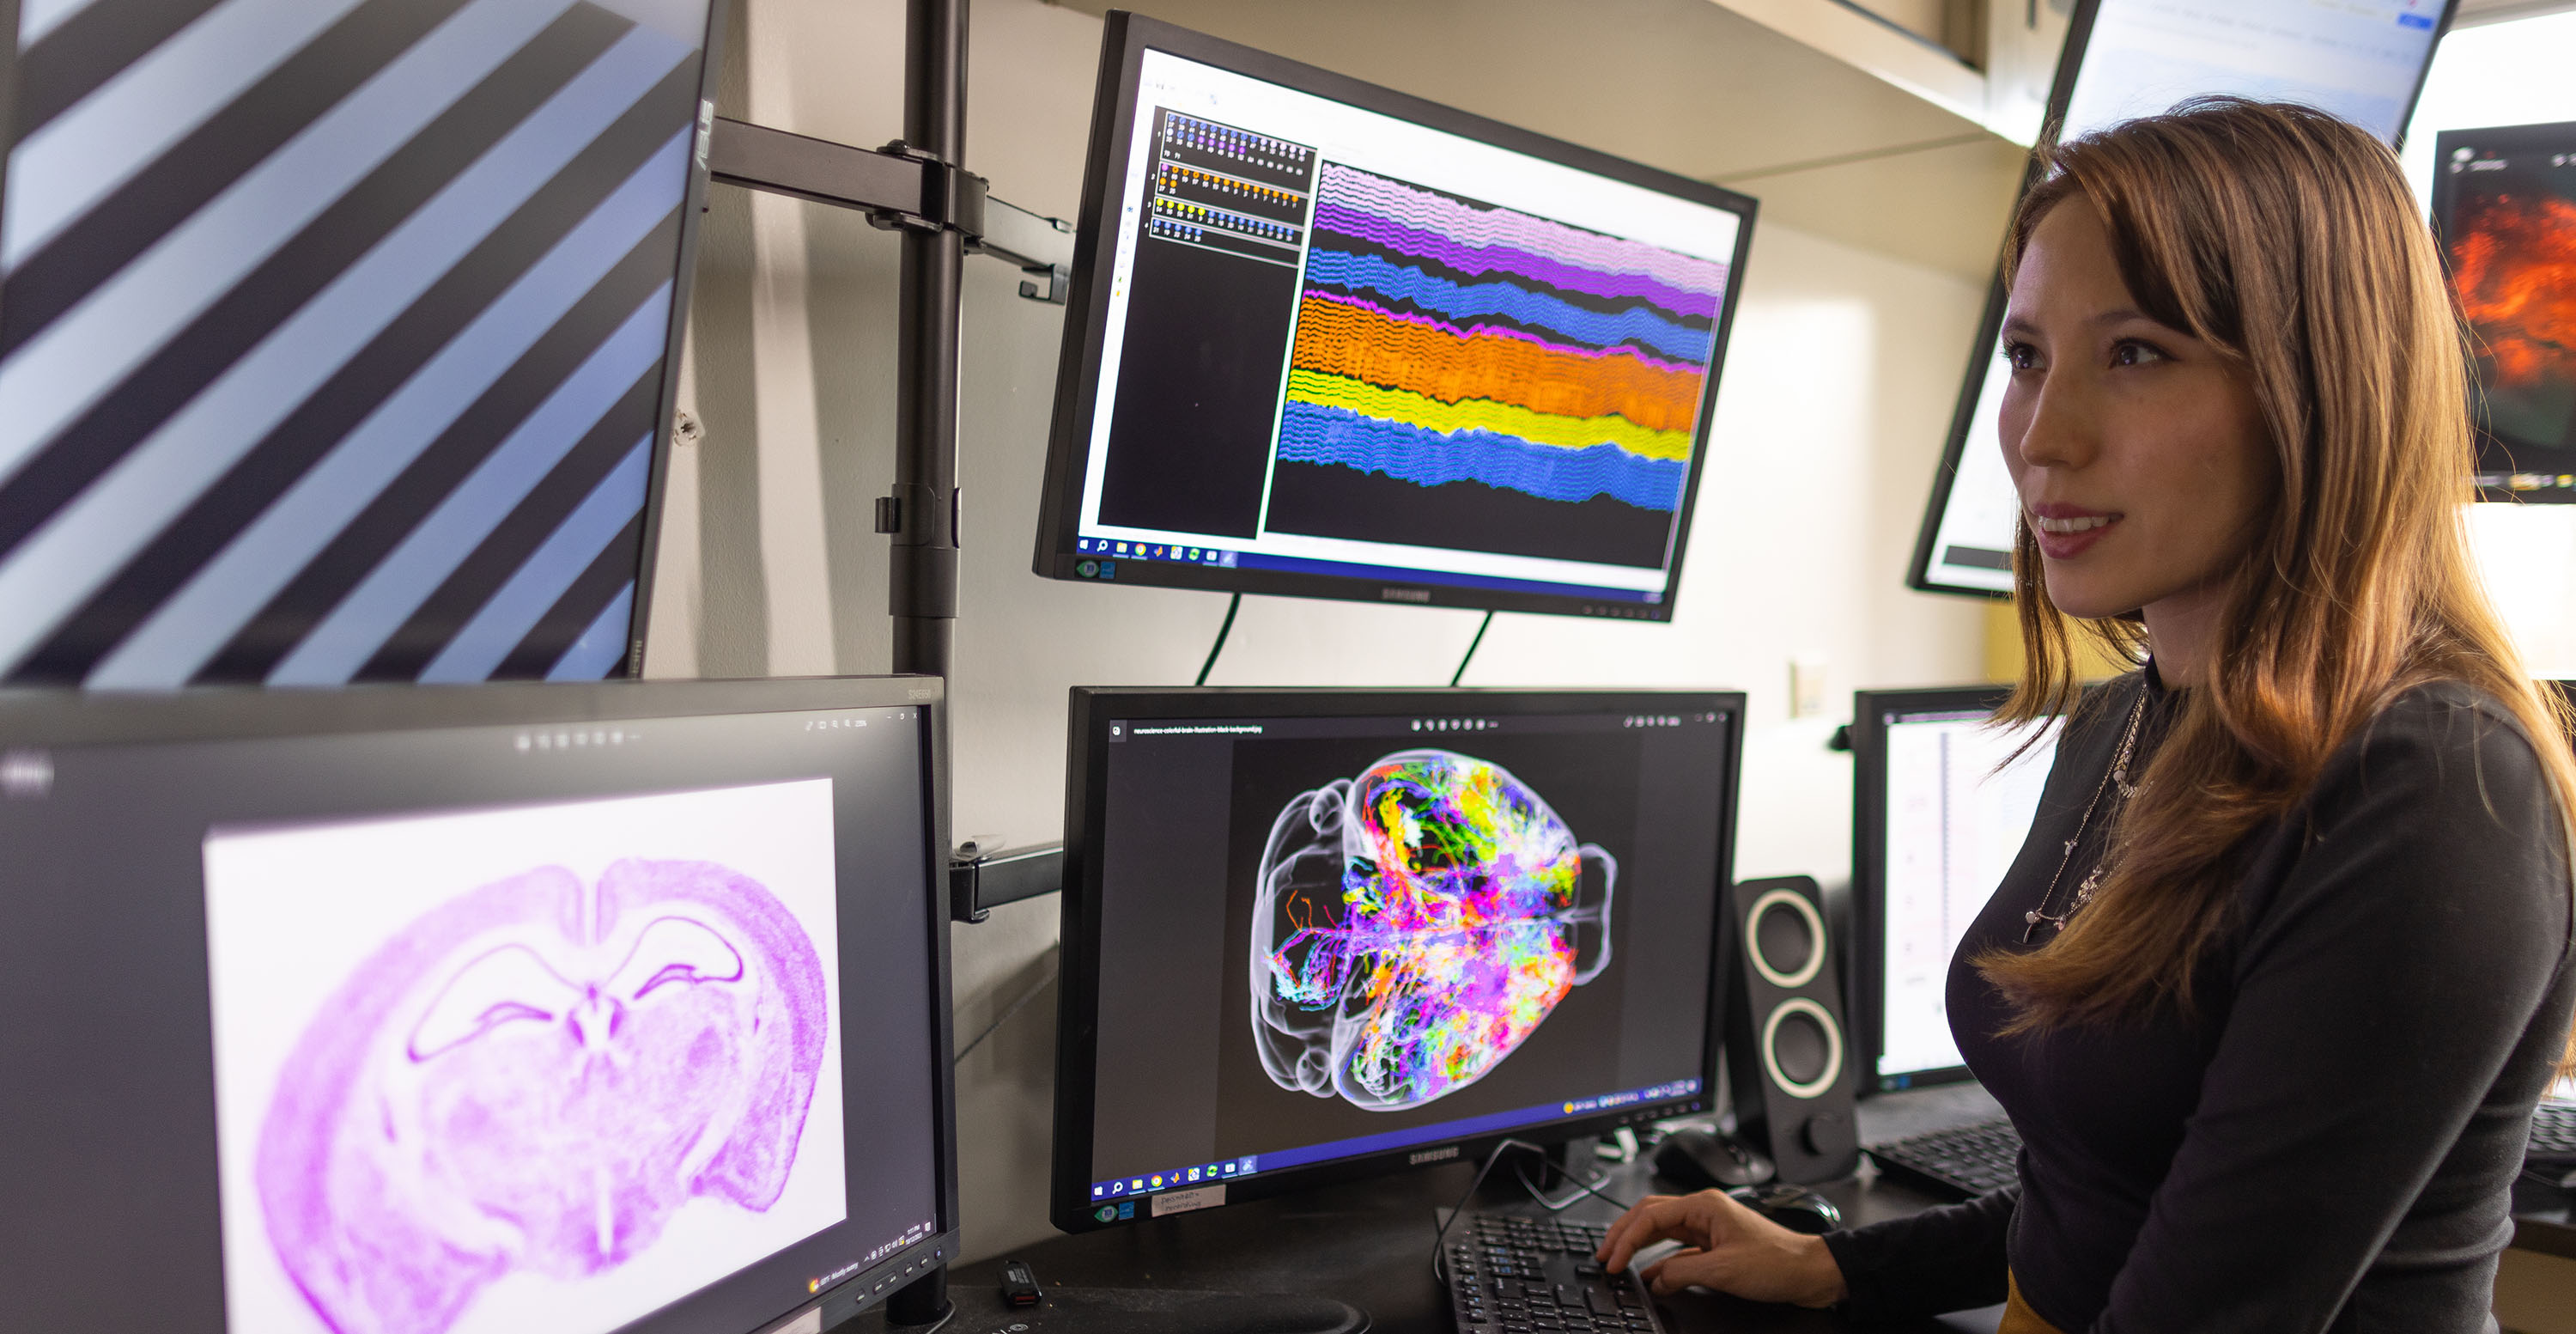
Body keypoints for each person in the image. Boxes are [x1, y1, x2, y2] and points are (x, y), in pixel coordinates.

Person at [1597, 98, 2576, 1332]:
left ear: (2321, 388)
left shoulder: (2430, 787)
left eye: (2136, 354)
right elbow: (2112, 1194)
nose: (2042, 437)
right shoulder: (2121, 723)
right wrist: (1841, 1264)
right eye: (2027, 357)